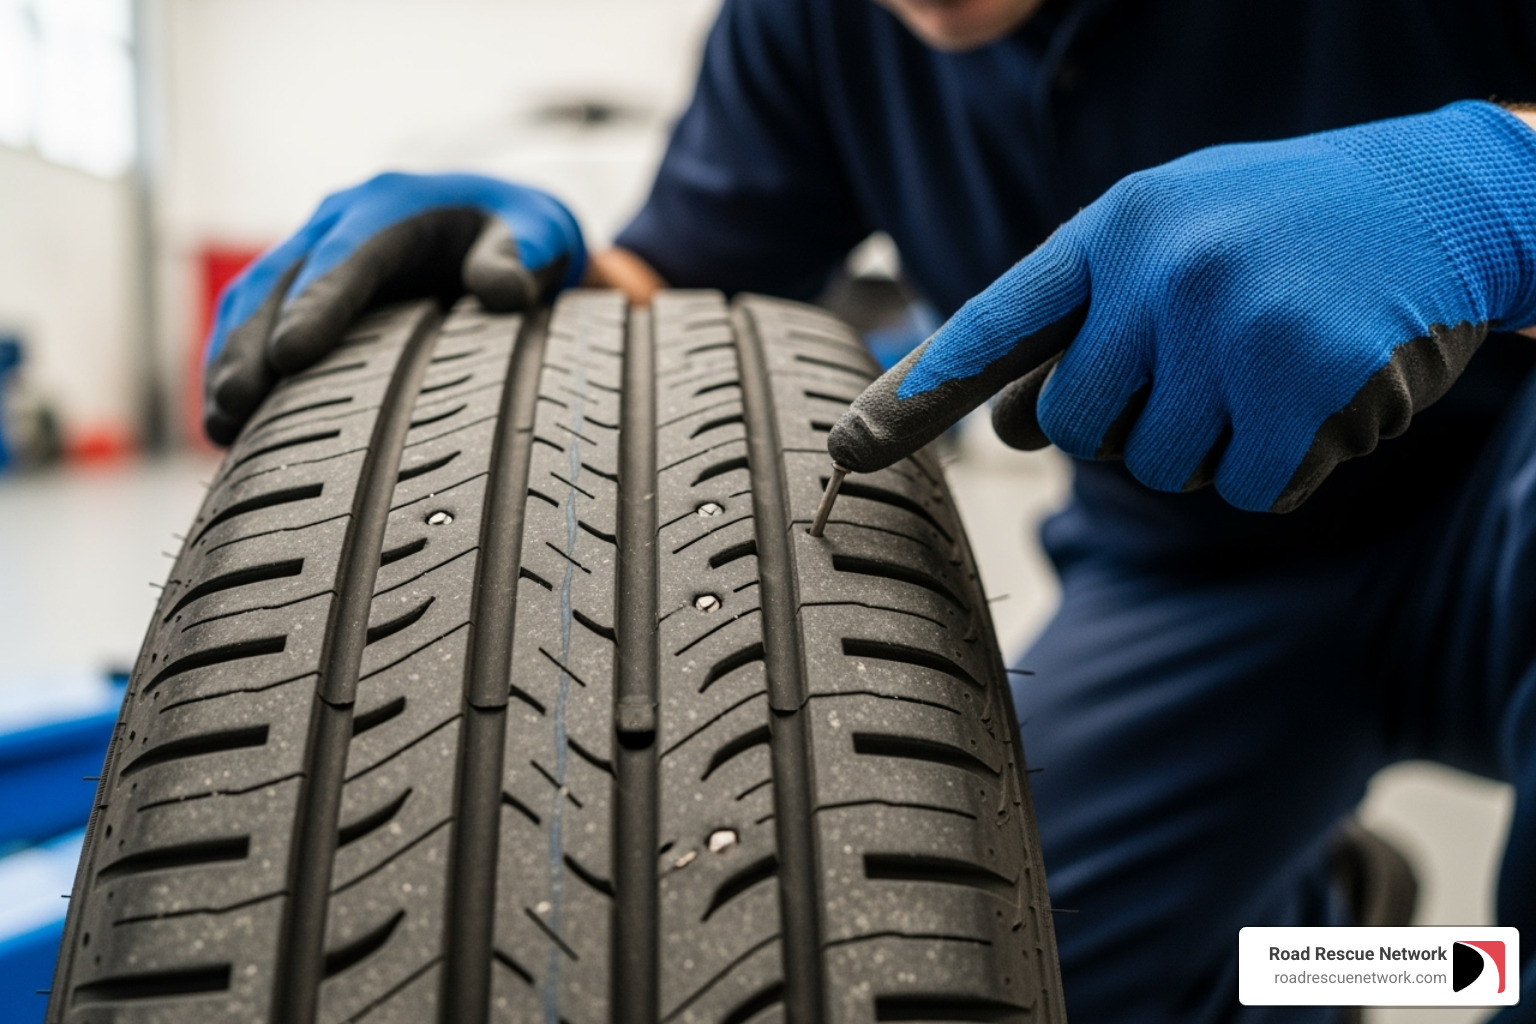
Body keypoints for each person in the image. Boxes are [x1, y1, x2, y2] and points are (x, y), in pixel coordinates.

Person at [201, 1, 1536, 1019]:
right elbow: (676, 292)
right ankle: (1357, 942)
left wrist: (1492, 189)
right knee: (955, 971)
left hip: (1504, 497)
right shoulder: (810, 24)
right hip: (1193, 571)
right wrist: (512, 295)